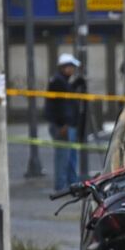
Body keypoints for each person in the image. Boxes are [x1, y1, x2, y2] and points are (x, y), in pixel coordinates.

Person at [44, 53, 85, 191]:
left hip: (68, 125)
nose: (73, 70)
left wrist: (74, 85)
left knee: (71, 156)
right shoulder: (58, 82)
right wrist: (63, 124)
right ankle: (61, 186)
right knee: (63, 157)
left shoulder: (62, 81)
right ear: (64, 67)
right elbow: (61, 106)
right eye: (71, 67)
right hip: (63, 126)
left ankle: (72, 183)